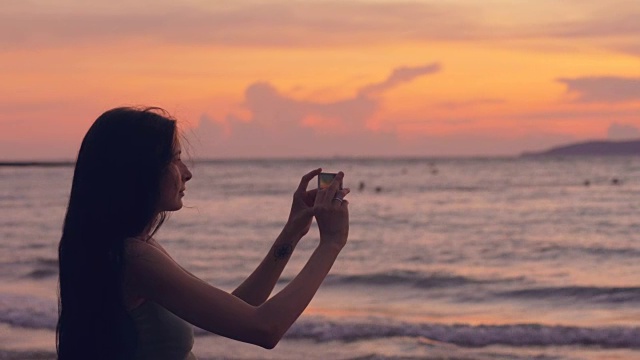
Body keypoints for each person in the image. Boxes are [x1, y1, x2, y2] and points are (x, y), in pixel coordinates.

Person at [56, 107, 350, 360]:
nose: (186, 172)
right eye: (174, 159)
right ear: (138, 171)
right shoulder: (134, 257)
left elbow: (242, 307)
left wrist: (292, 232)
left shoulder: (135, 247)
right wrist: (331, 244)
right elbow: (265, 328)